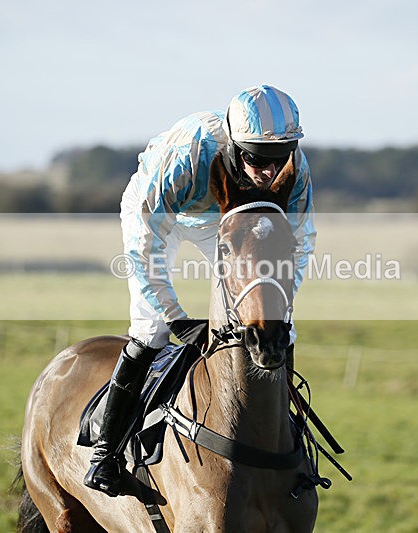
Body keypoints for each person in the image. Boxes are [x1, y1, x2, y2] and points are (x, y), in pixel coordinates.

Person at [84, 84, 316, 497]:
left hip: (232, 219)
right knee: (151, 329)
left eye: (279, 157)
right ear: (233, 143)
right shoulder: (187, 155)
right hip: (160, 214)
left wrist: (277, 307)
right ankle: (106, 454)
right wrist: (175, 317)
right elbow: (145, 247)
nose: (269, 170)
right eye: (257, 159)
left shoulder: (293, 170)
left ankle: (290, 452)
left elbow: (299, 242)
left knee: (279, 325)